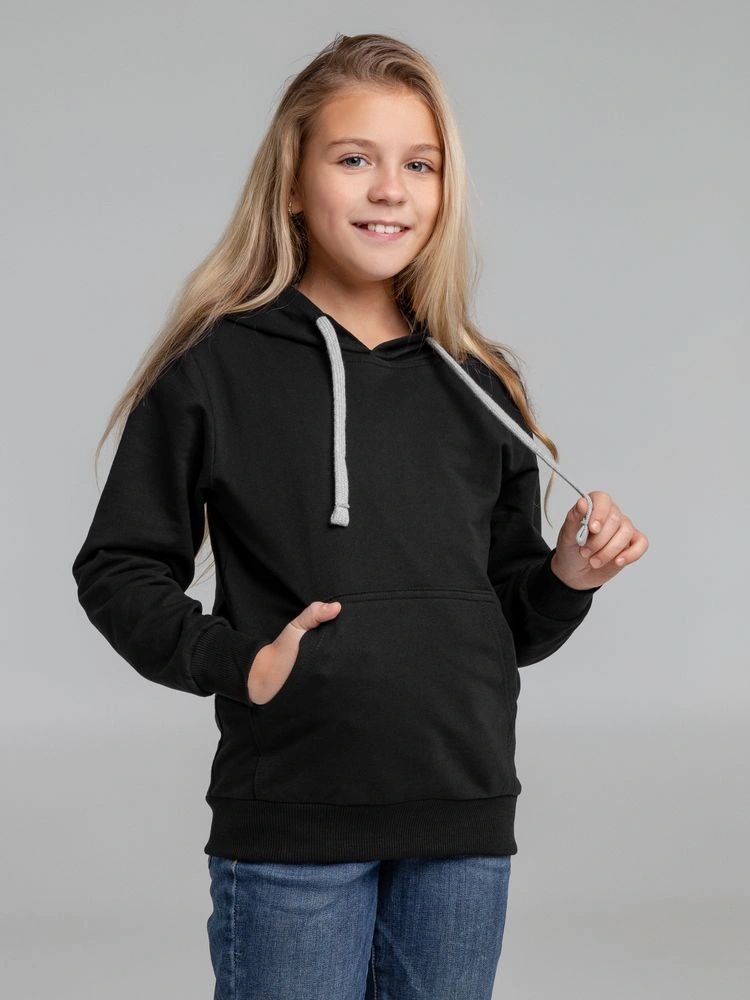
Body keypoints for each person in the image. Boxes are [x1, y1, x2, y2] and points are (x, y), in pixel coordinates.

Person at [71, 31, 648, 1000]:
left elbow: (504, 624)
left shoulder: (483, 383)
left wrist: (565, 580)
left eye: (419, 164)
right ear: (294, 183)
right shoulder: (215, 368)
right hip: (293, 822)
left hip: (462, 820)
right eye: (354, 159)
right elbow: (118, 568)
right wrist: (237, 662)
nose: (391, 190)